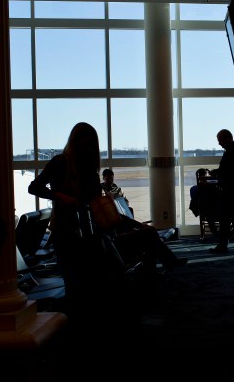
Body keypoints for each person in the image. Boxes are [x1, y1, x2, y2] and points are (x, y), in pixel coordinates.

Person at [27, 123, 187, 313]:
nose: (87, 149)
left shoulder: (87, 170)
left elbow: (99, 207)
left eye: (90, 146)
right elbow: (34, 187)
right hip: (71, 236)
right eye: (84, 145)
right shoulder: (61, 163)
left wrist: (132, 224)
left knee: (88, 286)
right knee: (79, 285)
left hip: (93, 236)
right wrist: (62, 197)